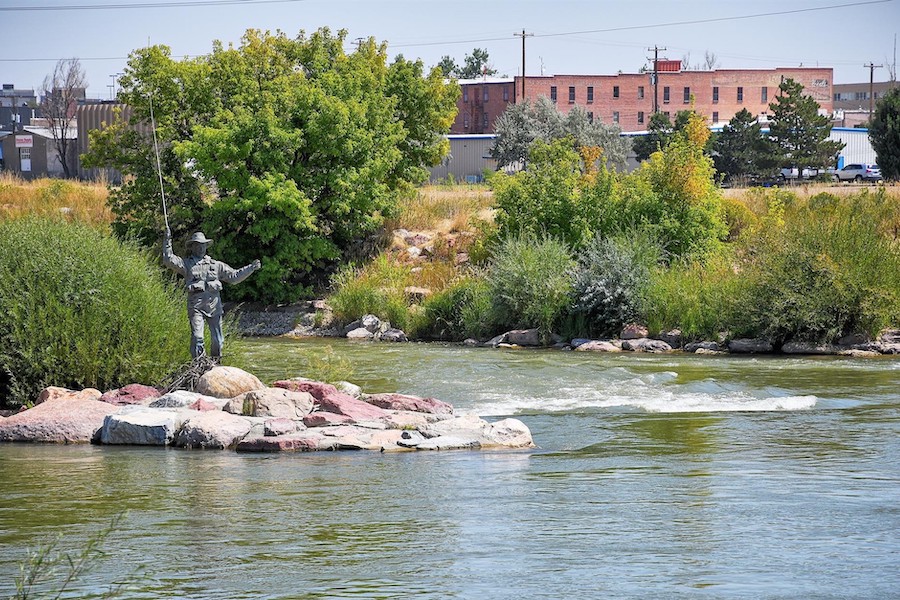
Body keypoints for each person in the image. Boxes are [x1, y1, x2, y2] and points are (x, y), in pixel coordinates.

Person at [163, 228, 261, 359]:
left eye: (203, 245)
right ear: (192, 247)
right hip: (196, 307)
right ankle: (198, 364)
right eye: (197, 245)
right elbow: (168, 259)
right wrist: (167, 240)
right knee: (198, 337)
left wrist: (251, 268)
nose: (201, 248)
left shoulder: (216, 265)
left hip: (214, 307)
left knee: (218, 341)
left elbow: (234, 276)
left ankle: (215, 364)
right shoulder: (186, 264)